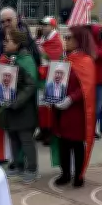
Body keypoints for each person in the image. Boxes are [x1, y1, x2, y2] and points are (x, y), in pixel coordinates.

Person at [52, 26, 97, 188]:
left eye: (69, 38)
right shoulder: (65, 59)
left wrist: (71, 98)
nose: (65, 41)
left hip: (77, 110)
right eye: (65, 37)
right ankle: (65, 173)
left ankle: (79, 175)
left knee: (77, 144)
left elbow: (87, 87)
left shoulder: (85, 61)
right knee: (63, 142)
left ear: (79, 40)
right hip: (62, 110)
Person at [0, 29, 39, 184]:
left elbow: (30, 85)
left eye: (8, 40)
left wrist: (17, 101)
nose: (4, 43)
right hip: (10, 107)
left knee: (26, 139)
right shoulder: (10, 59)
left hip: (24, 109)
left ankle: (32, 168)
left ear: (17, 43)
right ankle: (18, 164)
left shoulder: (26, 60)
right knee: (13, 137)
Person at [37, 17, 64, 145]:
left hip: (50, 77)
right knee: (41, 106)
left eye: (46, 25)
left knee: (49, 107)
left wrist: (41, 51)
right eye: (42, 25)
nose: (43, 27)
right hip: (41, 76)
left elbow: (53, 57)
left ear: (53, 26)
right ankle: (43, 129)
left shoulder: (56, 41)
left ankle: (50, 132)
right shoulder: (42, 39)